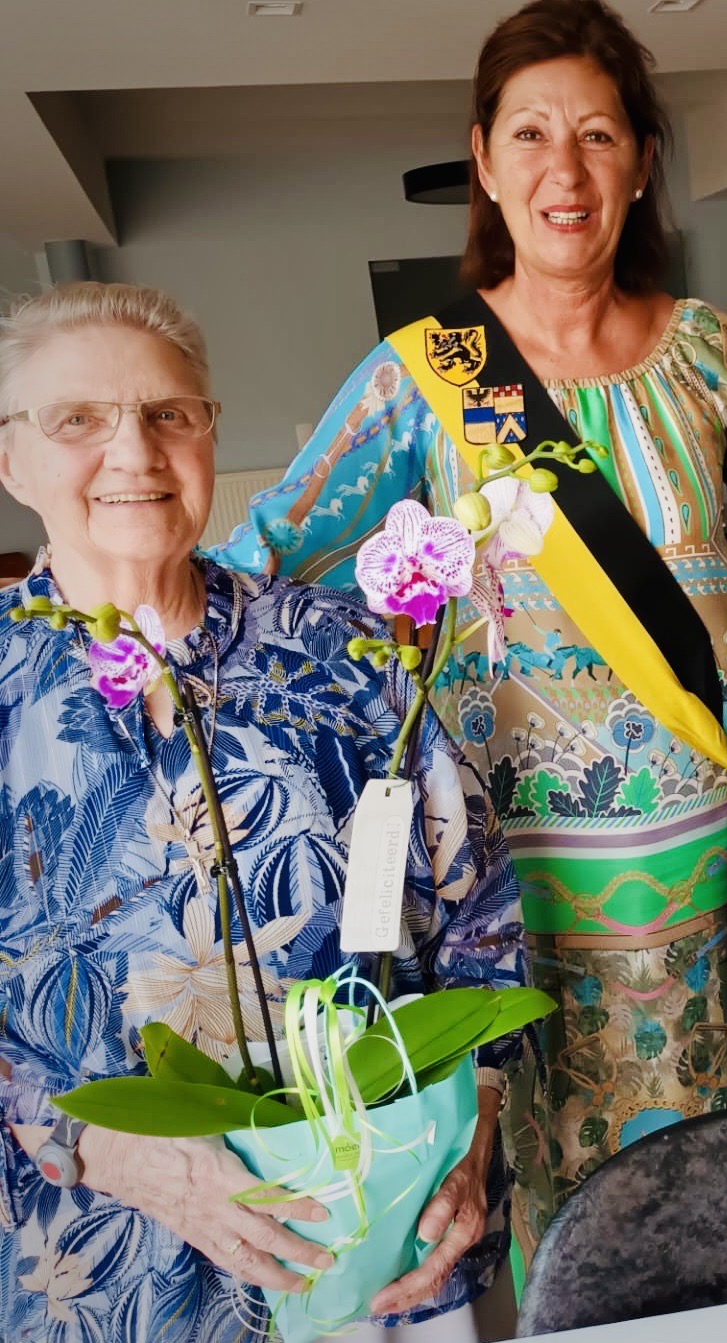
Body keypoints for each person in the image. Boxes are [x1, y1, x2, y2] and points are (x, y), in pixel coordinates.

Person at [213, 0, 727, 1257]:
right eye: (533, 132)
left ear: (642, 161)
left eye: (599, 134)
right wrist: (92, 611)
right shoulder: (424, 376)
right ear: (484, 158)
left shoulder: (709, 354)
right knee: (595, 1228)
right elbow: (265, 566)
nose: (567, 167)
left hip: (722, 870)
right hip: (530, 893)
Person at [0, 282, 526, 1341]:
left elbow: (482, 924)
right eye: (77, 420)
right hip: (108, 1271)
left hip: (387, 1257)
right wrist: (103, 1148)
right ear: (10, 460)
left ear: (208, 434)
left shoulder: (349, 655)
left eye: (167, 413)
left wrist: (467, 1142)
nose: (135, 453)